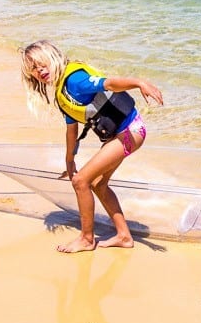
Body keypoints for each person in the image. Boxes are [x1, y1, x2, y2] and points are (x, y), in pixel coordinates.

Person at [20, 40, 163, 253]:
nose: (39, 70)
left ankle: (87, 239)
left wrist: (139, 82)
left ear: (54, 59)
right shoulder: (62, 93)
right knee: (96, 183)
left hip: (131, 131)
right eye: (33, 68)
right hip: (121, 134)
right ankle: (124, 236)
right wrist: (69, 160)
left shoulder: (75, 80)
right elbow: (71, 130)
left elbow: (109, 83)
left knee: (81, 181)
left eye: (42, 64)